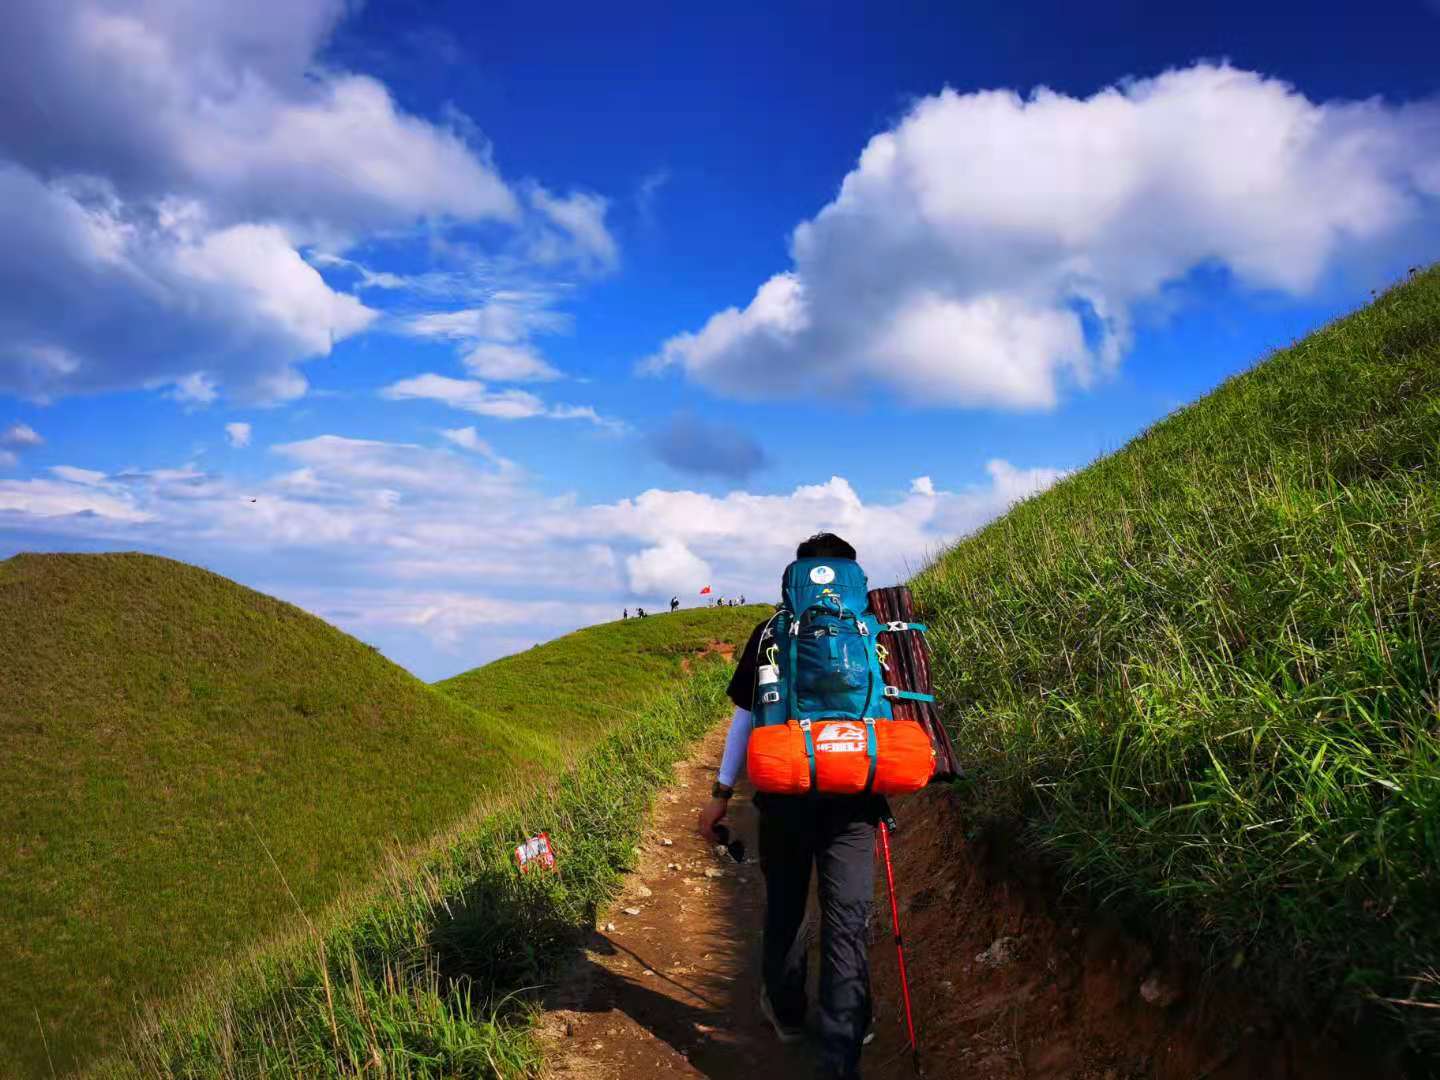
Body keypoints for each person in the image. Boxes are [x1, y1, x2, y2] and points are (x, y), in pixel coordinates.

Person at [699, 532, 879, 1080]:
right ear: (853, 575)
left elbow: (745, 719)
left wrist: (721, 796)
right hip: (856, 792)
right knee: (847, 917)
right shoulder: (876, 627)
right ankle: (843, 1040)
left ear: (795, 576)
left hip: (782, 792)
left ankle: (787, 1012)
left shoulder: (773, 630)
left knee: (786, 905)